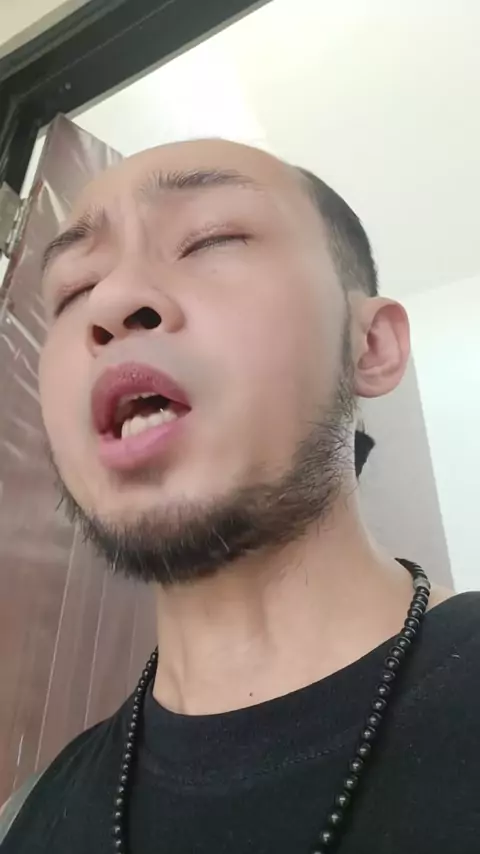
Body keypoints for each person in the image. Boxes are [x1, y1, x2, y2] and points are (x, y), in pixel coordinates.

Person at [1, 138, 478, 853]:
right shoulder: (27, 821)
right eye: (73, 290)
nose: (113, 300)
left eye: (210, 239)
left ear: (372, 344)